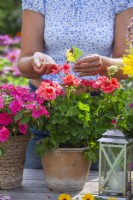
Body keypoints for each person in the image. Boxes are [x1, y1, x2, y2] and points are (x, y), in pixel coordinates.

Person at [18, 0, 133, 169]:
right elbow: (24, 63)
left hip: (96, 118)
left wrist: (105, 64)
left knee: (97, 190)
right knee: (34, 189)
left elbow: (127, 65)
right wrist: (36, 61)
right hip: (45, 115)